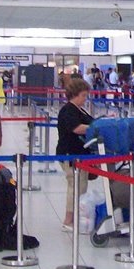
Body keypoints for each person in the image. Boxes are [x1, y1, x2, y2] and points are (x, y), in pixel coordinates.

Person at [57, 78, 94, 231]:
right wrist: (96, 128)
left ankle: (76, 217)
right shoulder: (68, 110)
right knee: (75, 186)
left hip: (80, 154)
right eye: (83, 95)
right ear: (75, 94)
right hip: (70, 154)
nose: (85, 99)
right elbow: (76, 128)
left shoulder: (79, 109)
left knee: (81, 186)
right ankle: (68, 220)